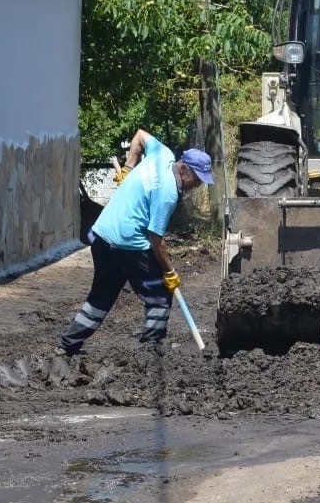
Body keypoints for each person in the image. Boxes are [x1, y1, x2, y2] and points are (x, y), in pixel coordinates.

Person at [59, 130, 214, 356]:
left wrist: (129, 167)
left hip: (102, 237)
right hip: (130, 245)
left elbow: (140, 136)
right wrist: (169, 271)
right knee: (160, 294)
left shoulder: (162, 153)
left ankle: (67, 346)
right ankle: (149, 352)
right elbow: (156, 239)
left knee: (101, 297)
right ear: (183, 169)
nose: (198, 184)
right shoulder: (167, 194)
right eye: (197, 178)